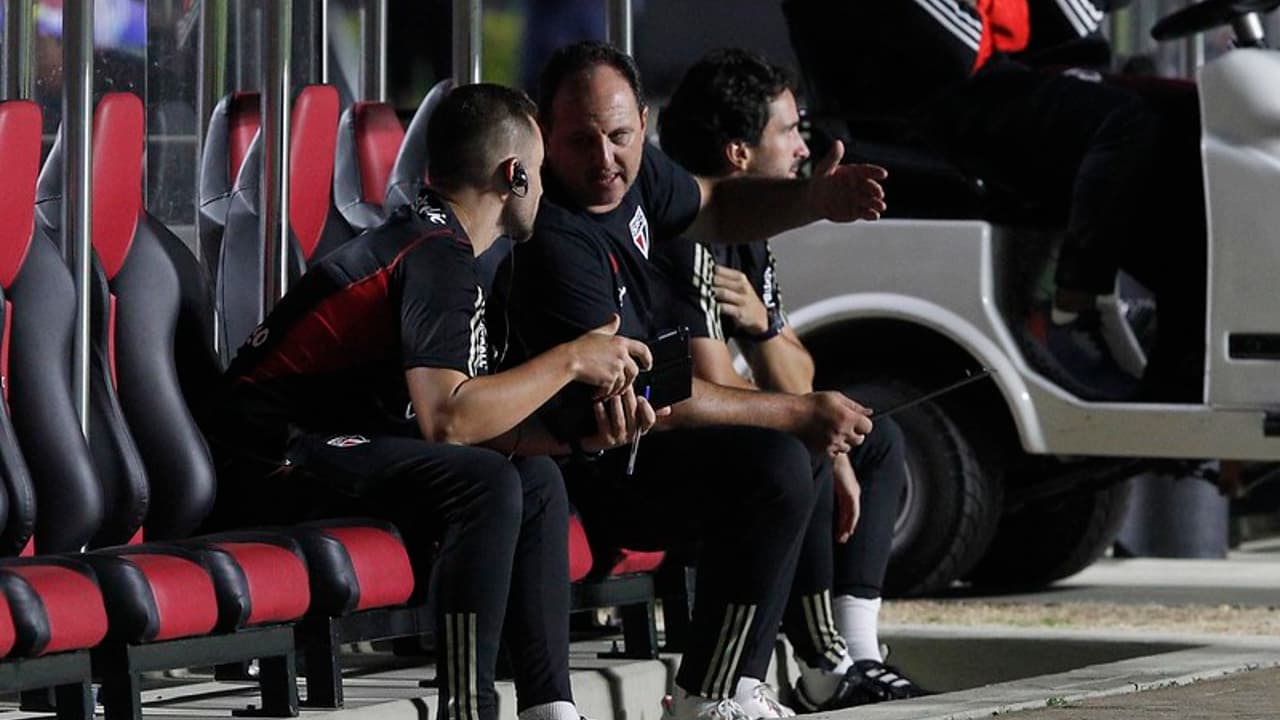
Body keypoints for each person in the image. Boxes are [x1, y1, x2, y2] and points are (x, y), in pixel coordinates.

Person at [209, 83, 660, 720]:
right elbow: (449, 422)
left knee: (537, 480)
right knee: (486, 485)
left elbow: (467, 421)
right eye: (537, 169)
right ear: (513, 176)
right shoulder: (435, 257)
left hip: (336, 442)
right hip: (263, 462)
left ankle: (549, 707)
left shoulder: (443, 245)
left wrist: (580, 440)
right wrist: (571, 358)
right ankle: (467, 707)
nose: (545, 184)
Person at [494, 41, 888, 720]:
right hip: (593, 461)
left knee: (803, 454)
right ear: (542, 135)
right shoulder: (556, 242)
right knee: (777, 461)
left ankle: (738, 685)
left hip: (651, 437)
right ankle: (705, 697)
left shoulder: (640, 177)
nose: (605, 160)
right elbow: (652, 401)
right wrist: (794, 410)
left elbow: (718, 206)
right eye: (582, 141)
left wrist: (813, 198)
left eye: (619, 136)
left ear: (643, 122)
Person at [655, 48, 930, 710]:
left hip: (741, 427)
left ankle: (854, 653)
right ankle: (801, 669)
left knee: (878, 436)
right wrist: (806, 420)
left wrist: (762, 324)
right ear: (738, 152)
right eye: (789, 129)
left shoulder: (750, 234)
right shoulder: (685, 235)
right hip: (668, 449)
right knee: (799, 447)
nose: (806, 146)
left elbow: (800, 370)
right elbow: (705, 388)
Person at [782, 0, 1206, 402]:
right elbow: (958, 45)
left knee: (1191, 113)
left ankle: (1184, 347)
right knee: (1135, 127)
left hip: (983, 84)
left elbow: (1074, 30)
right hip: (934, 106)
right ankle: (1083, 309)